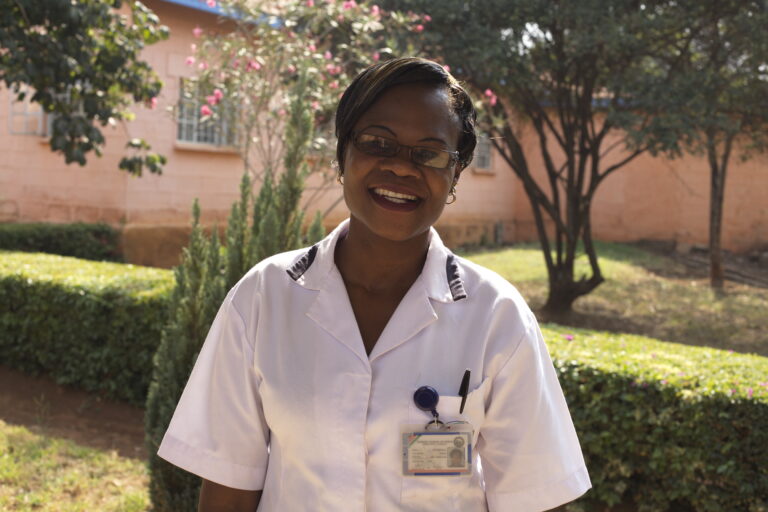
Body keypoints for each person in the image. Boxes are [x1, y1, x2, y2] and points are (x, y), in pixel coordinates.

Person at [158, 57, 591, 511]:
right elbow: (229, 485)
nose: (402, 169)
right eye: (378, 143)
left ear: (455, 174)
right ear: (342, 153)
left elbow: (535, 497)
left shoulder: (496, 316)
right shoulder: (265, 297)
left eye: (429, 152)